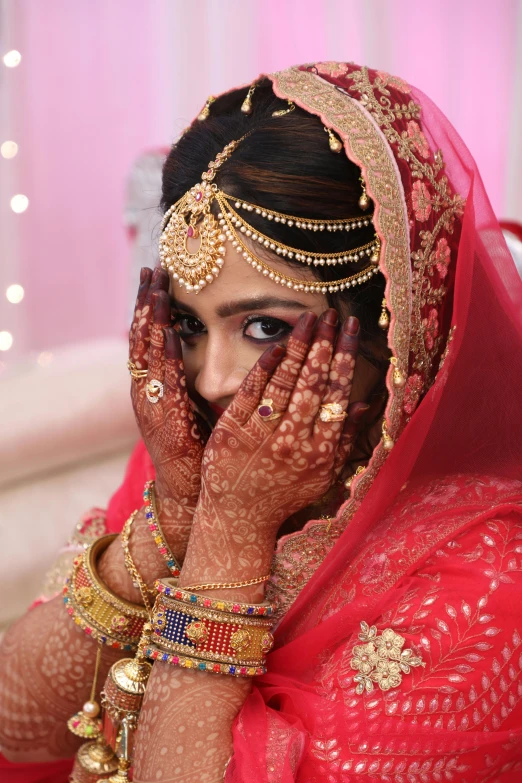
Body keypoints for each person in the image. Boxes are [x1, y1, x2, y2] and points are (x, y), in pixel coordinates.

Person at [1, 61, 522, 783]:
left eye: (264, 329)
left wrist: (228, 540)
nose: (210, 380)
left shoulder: (493, 576)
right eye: (186, 322)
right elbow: (17, 726)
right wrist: (175, 522)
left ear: (395, 329)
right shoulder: (194, 455)